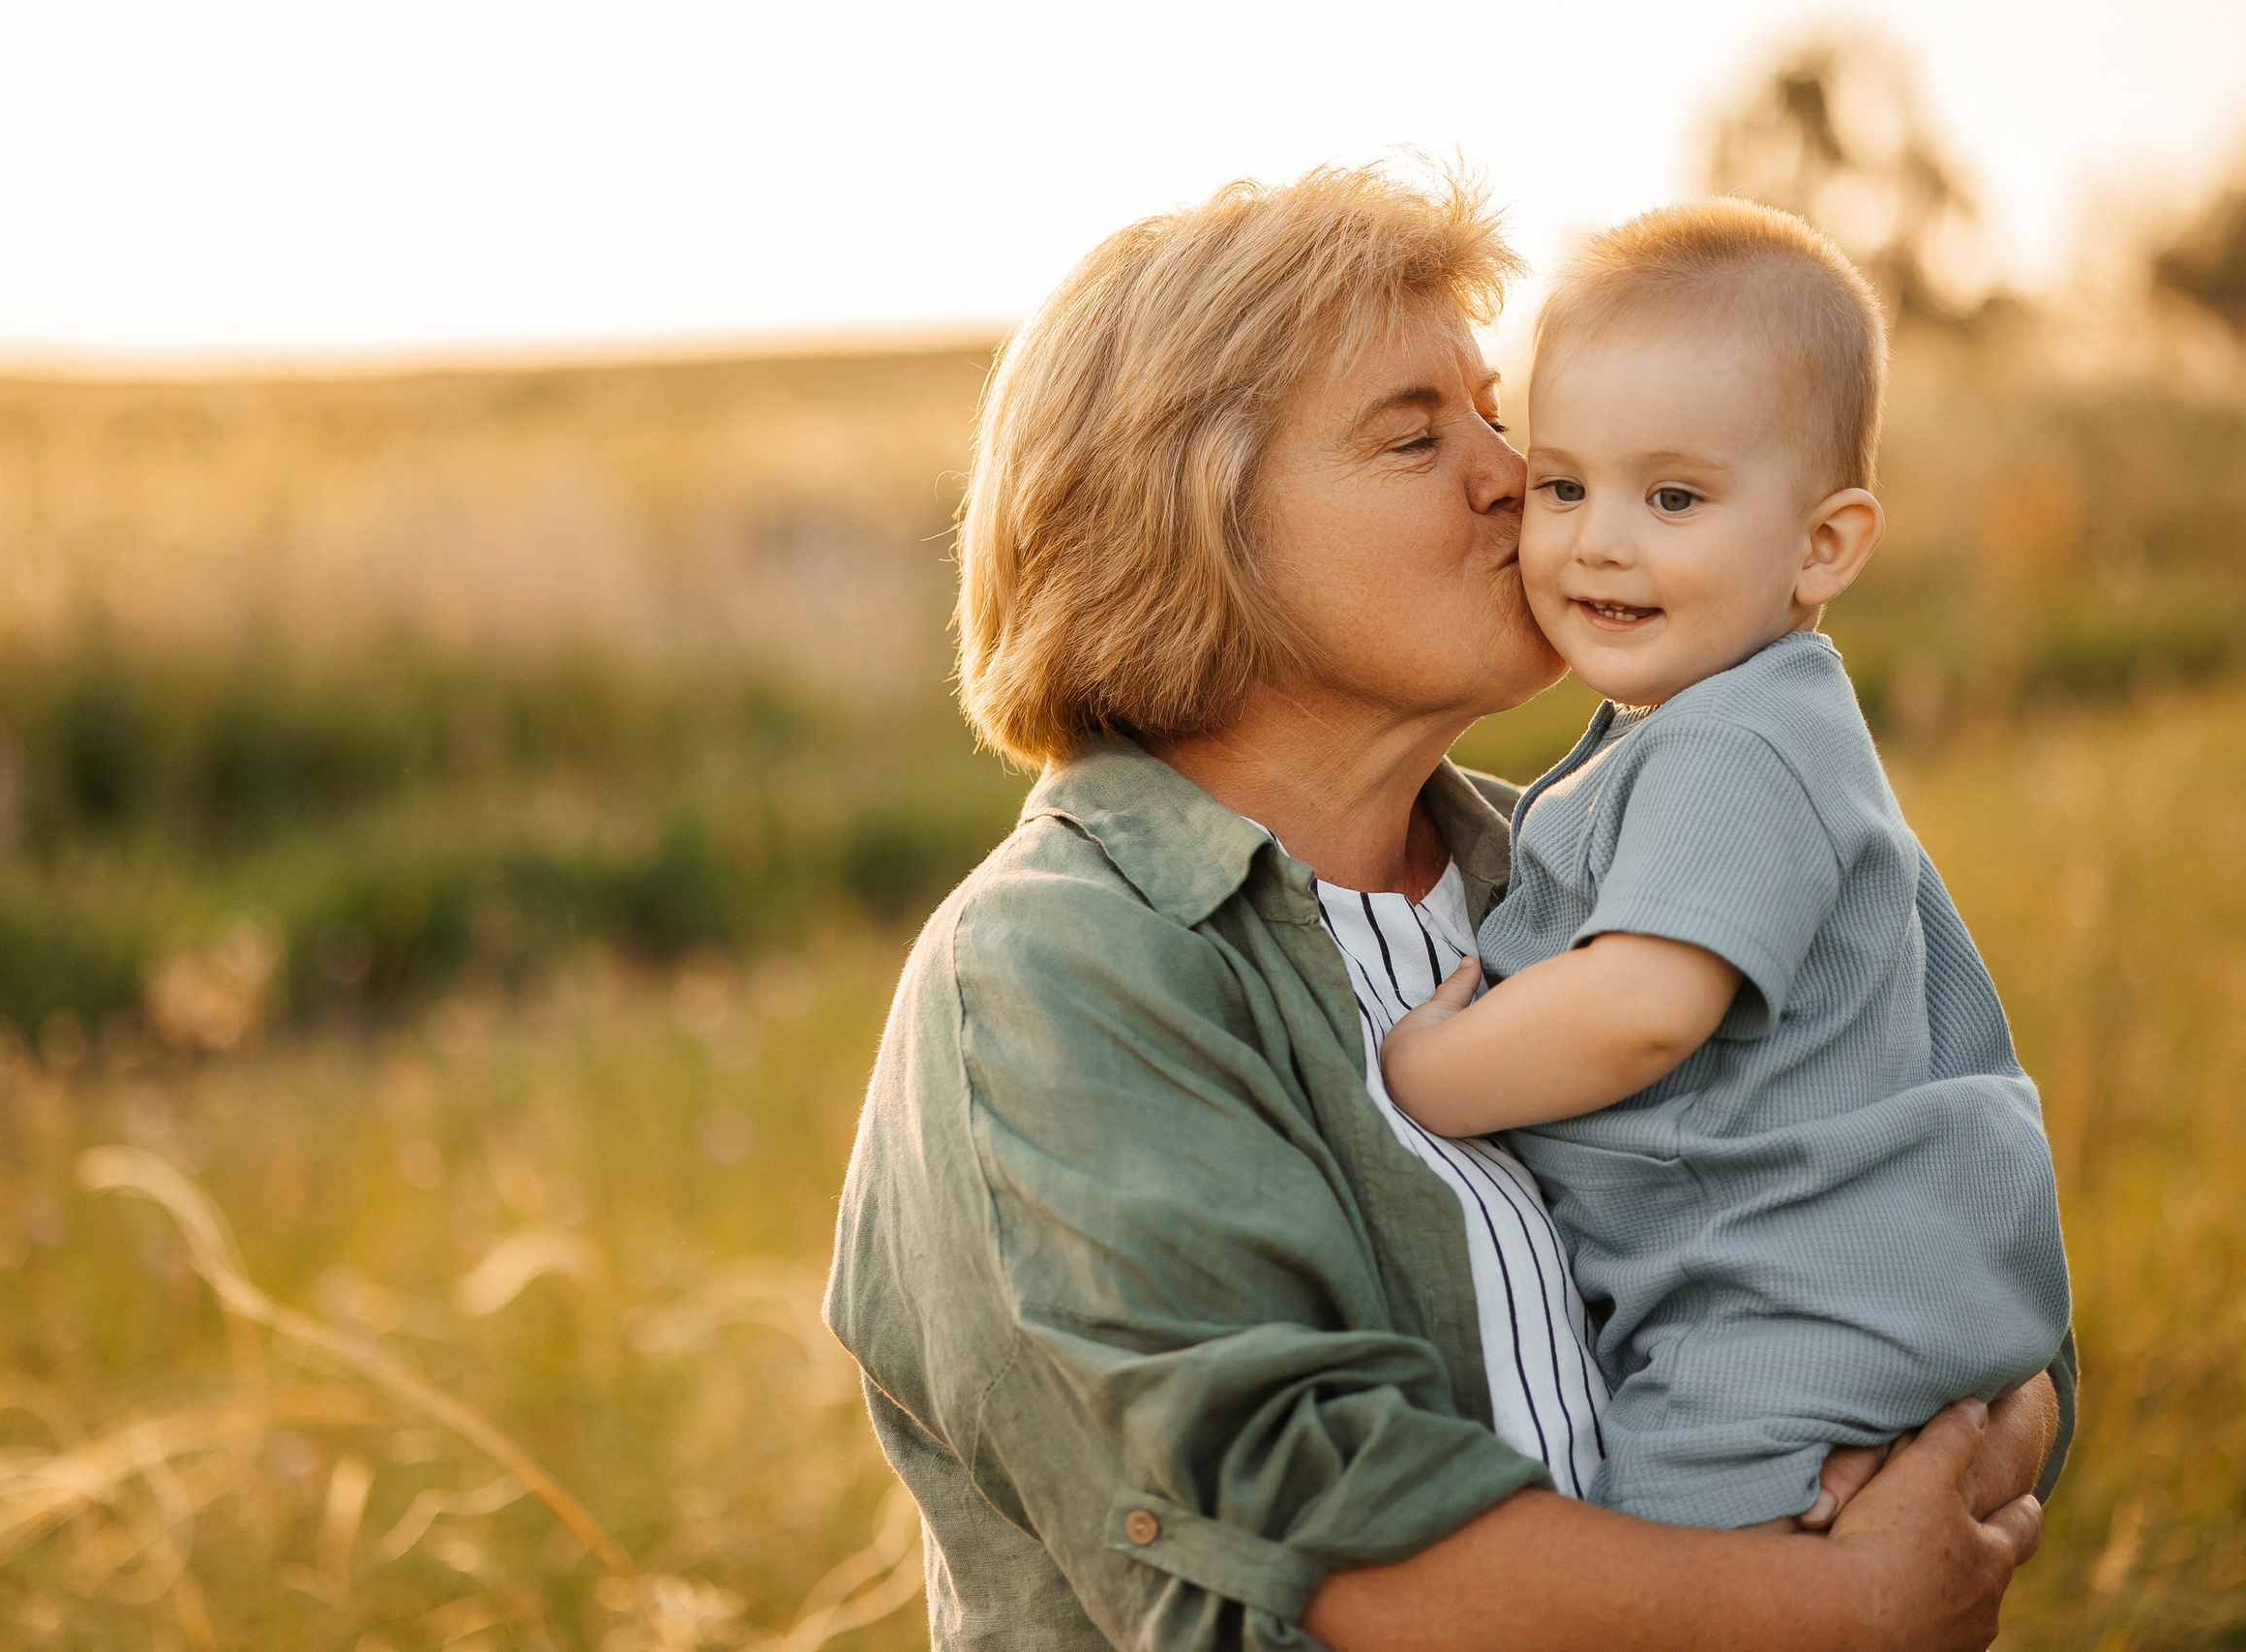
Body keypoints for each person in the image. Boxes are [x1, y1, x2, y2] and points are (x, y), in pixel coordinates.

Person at [823, 164, 2075, 1652]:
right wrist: (1841, 1602)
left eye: (1493, 412)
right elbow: (1327, 1549)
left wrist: (1980, 1438)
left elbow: (1945, 1204)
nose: (1514, 471)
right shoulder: (1054, 972)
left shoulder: (1578, 870)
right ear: (1191, 517)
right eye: (1418, 435)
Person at [1377, 200, 2072, 1531]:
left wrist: (1417, 1073)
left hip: (1786, 1312)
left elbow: (1641, 1010)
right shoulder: (1707, 726)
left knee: (1684, 1572)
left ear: (1825, 545)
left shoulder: (1737, 747)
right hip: (1802, 1286)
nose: (1600, 540)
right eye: (1566, 484)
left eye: (1675, 497)